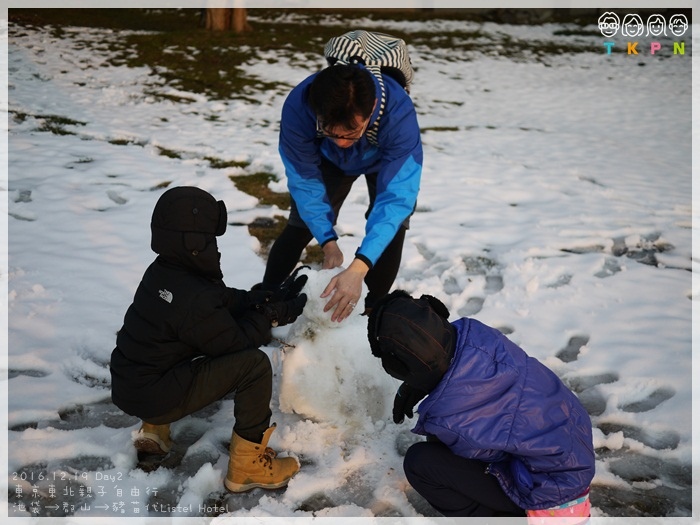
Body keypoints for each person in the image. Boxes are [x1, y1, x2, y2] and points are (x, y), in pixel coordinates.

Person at [110, 186, 307, 493]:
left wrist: (261, 298)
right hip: (153, 394)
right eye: (210, 238)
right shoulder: (194, 295)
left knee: (174, 345)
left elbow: (218, 301)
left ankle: (155, 429)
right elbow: (235, 344)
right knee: (253, 366)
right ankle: (247, 467)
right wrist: (271, 316)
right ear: (194, 242)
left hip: (131, 382)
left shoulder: (164, 271)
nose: (214, 245)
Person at [367, 290, 595, 519]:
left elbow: (485, 453)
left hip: (551, 498)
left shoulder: (451, 417)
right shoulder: (478, 335)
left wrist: (428, 392)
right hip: (573, 452)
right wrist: (422, 383)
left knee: (421, 463)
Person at [259, 62, 422, 322]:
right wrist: (328, 242)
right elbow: (304, 180)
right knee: (302, 222)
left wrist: (359, 268)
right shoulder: (299, 108)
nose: (342, 143)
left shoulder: (398, 115)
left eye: (351, 133)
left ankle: (370, 313)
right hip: (328, 161)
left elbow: (396, 199)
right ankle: (264, 299)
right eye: (331, 132)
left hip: (384, 160)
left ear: (371, 112)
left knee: (393, 228)